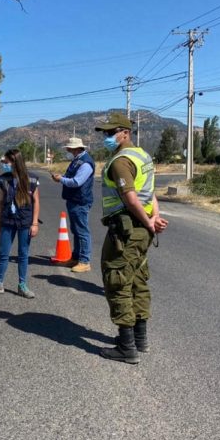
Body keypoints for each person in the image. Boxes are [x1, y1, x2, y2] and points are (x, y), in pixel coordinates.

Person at [94, 113, 168, 365]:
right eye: (105, 133)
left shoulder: (120, 161)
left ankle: (127, 347)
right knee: (137, 280)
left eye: (110, 132)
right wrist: (154, 217)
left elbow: (132, 198)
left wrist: (149, 221)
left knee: (117, 280)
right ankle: (140, 338)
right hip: (142, 229)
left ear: (125, 132)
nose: (106, 137)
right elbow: (150, 193)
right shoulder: (143, 156)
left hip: (126, 230)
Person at [0, 149, 40, 299]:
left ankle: (22, 285)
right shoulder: (3, 179)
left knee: (23, 254)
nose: (4, 165)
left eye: (6, 162)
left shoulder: (32, 180)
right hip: (7, 221)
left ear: (15, 162)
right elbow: (0, 202)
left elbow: (36, 202)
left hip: (25, 222)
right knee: (3, 254)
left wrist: (34, 224)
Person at [51, 137, 95, 273]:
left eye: (70, 148)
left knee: (82, 231)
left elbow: (77, 182)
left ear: (76, 148)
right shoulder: (77, 160)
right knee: (76, 230)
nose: (68, 150)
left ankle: (85, 261)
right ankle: (76, 258)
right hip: (74, 200)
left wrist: (61, 179)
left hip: (80, 201)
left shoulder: (85, 163)